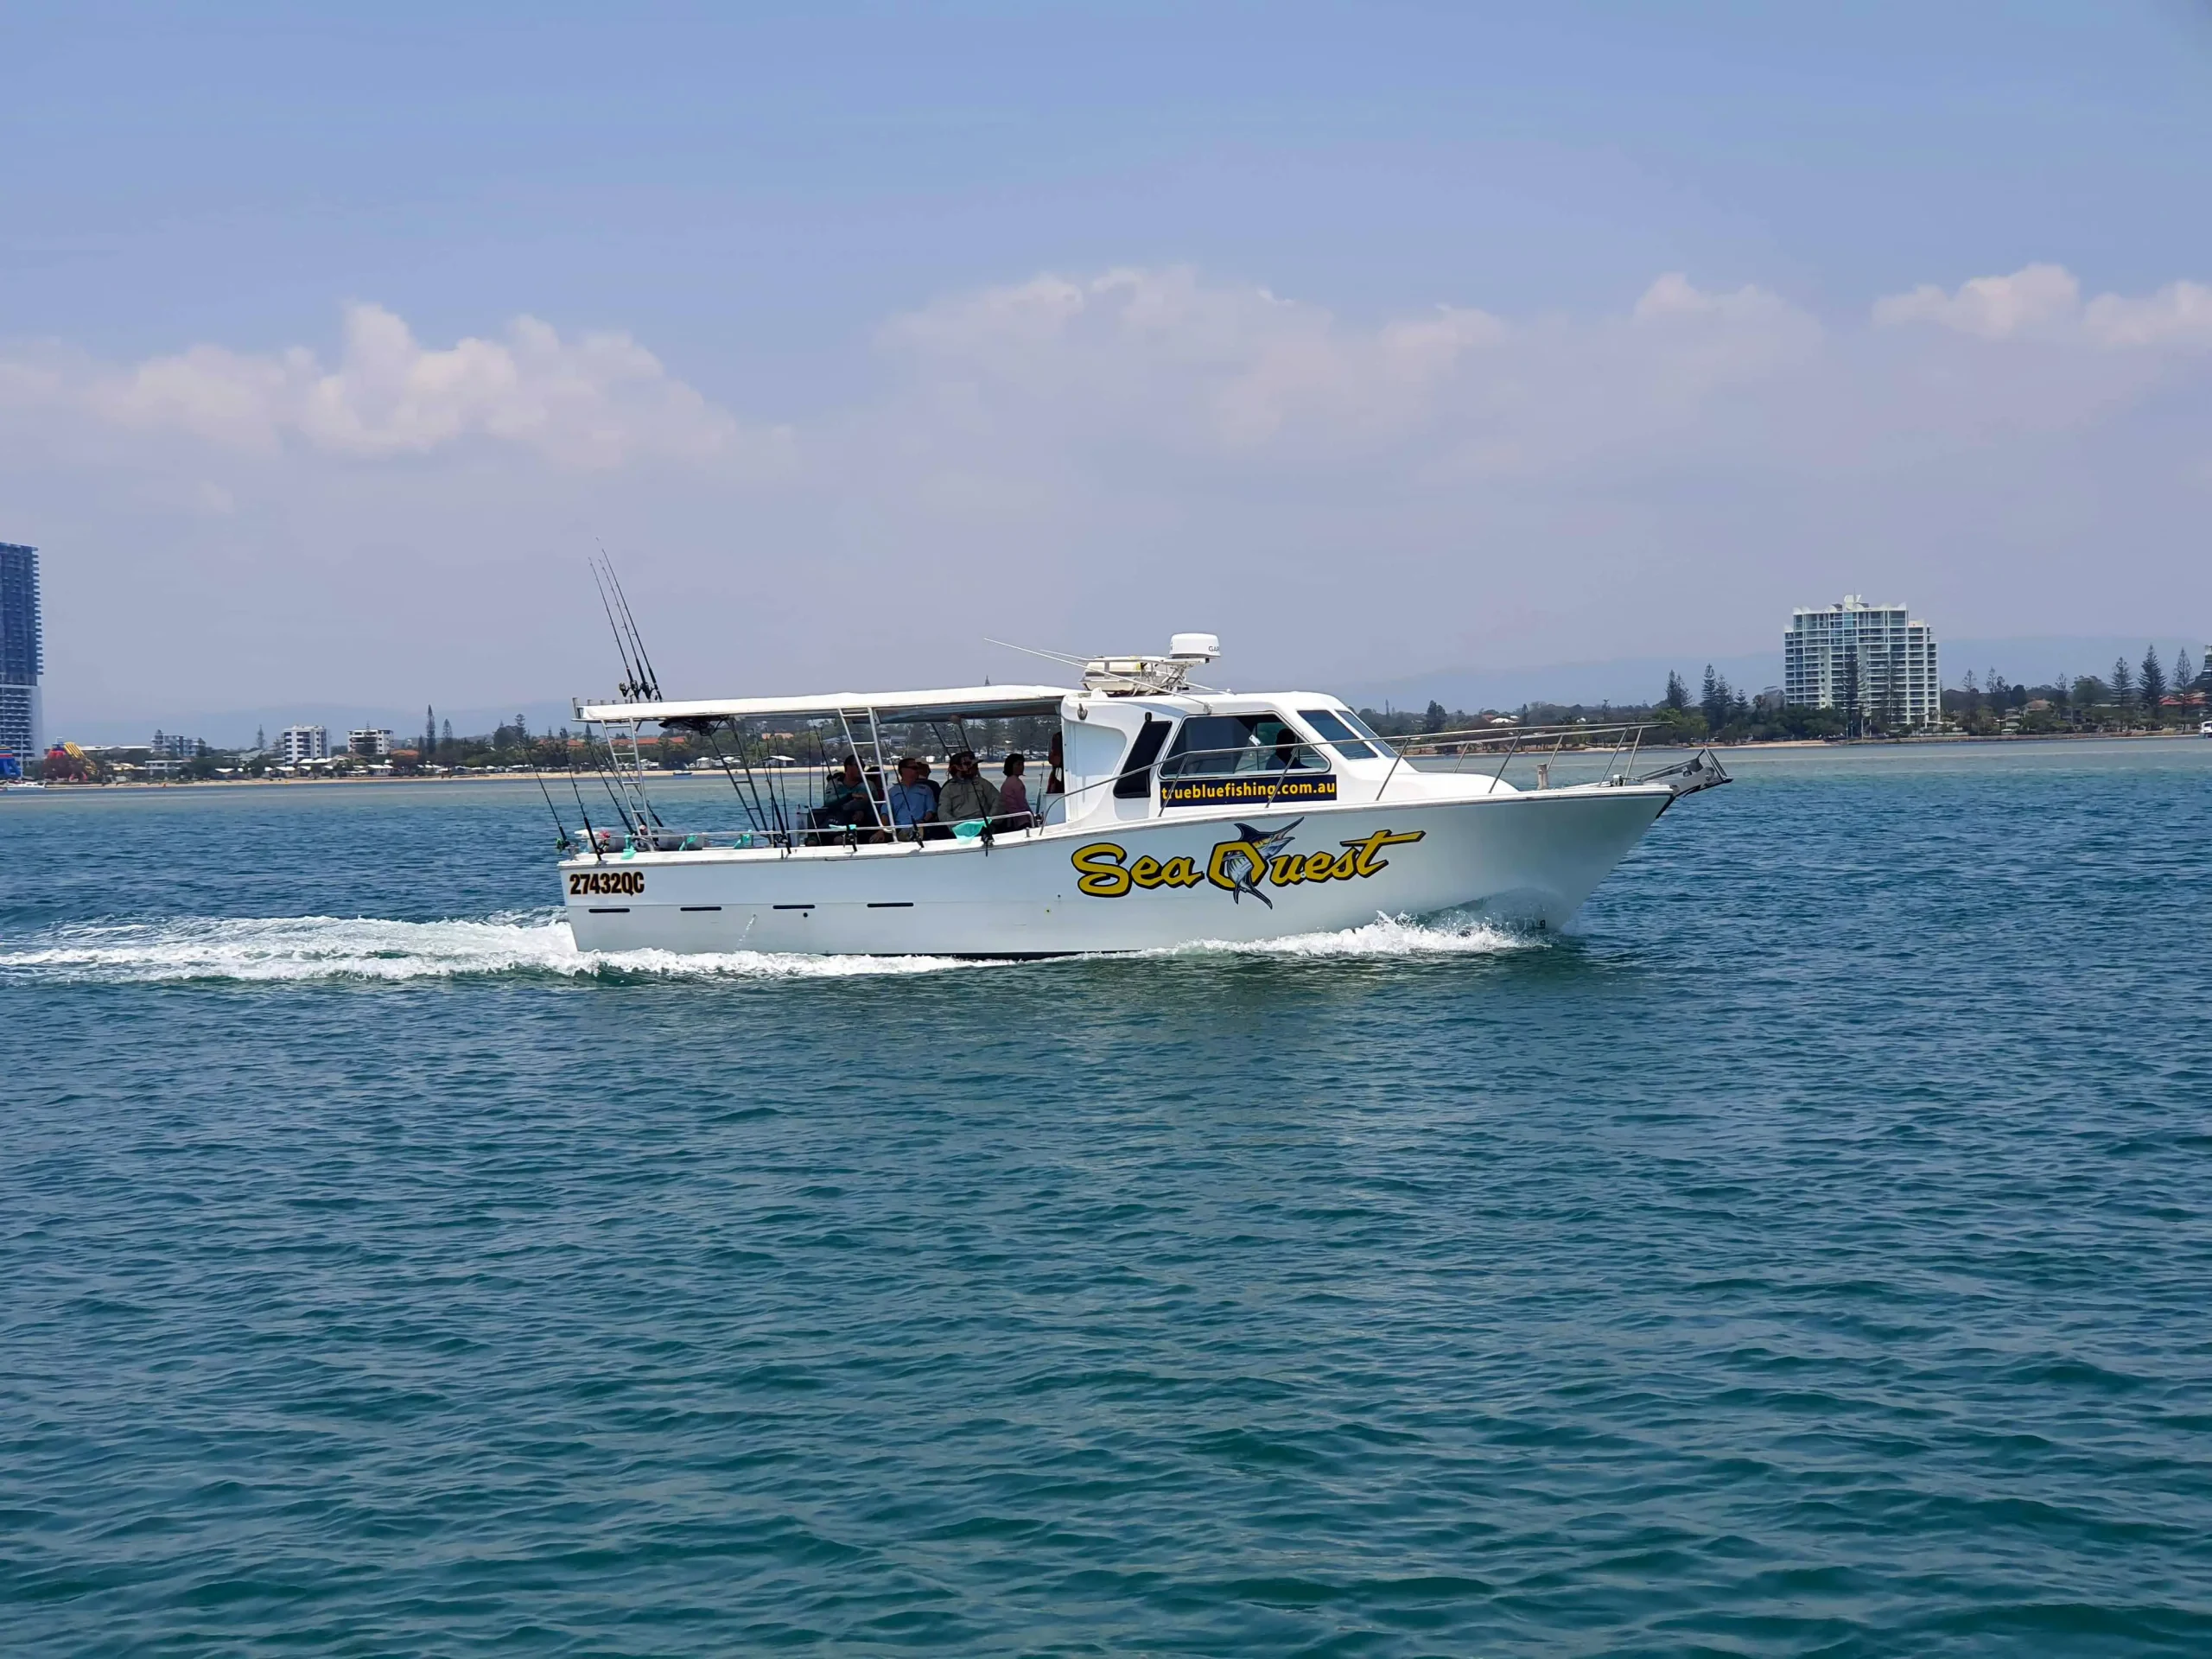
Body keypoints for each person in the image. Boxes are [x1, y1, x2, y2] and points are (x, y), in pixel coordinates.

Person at [934, 748, 1000, 829]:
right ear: (958, 768)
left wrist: (989, 820)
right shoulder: (948, 788)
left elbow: (998, 801)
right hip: (960, 828)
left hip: (983, 825)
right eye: (972, 766)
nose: (976, 768)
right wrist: (957, 826)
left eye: (975, 766)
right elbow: (943, 812)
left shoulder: (982, 783)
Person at [817, 756, 876, 836]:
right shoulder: (835, 783)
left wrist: (863, 811)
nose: (862, 768)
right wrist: (849, 796)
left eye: (863, 766)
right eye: (859, 765)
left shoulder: (868, 785)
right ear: (848, 767)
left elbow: (876, 806)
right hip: (837, 820)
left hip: (862, 823)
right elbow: (828, 801)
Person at [886, 756, 935, 838]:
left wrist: (923, 821)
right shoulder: (891, 792)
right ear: (903, 770)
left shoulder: (926, 789)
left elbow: (931, 810)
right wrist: (882, 831)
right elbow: (885, 813)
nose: (917, 771)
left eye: (918, 768)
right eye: (914, 768)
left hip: (920, 828)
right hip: (899, 829)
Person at [994, 753, 1032, 830]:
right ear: (1011, 766)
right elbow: (1023, 804)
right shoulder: (1016, 782)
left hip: (1011, 819)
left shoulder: (1007, 781)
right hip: (1020, 820)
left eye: (1022, 764)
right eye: (1018, 764)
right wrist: (1032, 819)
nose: (1022, 767)